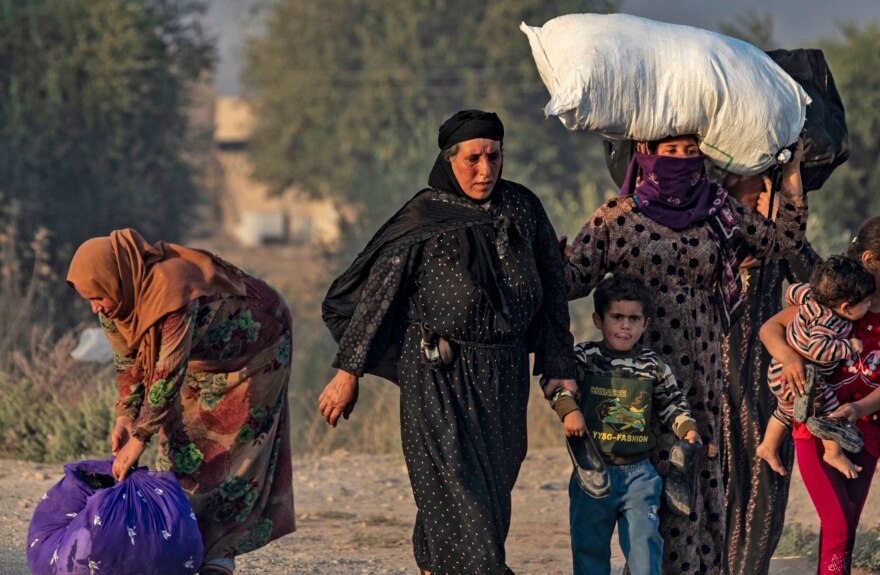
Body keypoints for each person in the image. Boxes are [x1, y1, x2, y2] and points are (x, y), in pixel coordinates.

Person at [319, 109, 576, 575]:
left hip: (506, 372)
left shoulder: (522, 206)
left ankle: (435, 567)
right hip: (438, 376)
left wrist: (559, 363)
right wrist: (346, 373)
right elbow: (378, 297)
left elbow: (552, 287)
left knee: (492, 495)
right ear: (449, 158)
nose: (485, 170)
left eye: (494, 157)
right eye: (473, 158)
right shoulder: (423, 217)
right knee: (458, 489)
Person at [562, 133, 808, 574]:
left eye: (691, 152)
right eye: (670, 152)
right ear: (645, 155)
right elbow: (572, 280)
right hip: (638, 378)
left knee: (695, 474)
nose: (681, 161)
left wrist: (791, 174)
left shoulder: (718, 209)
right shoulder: (617, 218)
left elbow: (781, 242)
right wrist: (544, 254)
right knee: (647, 484)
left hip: (703, 369)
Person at [66, 229, 295, 575]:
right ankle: (187, 547)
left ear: (115, 279)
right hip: (202, 358)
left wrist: (139, 440)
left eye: (97, 297)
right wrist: (126, 416)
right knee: (178, 447)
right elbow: (128, 362)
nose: (95, 307)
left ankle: (219, 556)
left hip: (257, 348)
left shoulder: (173, 290)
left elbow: (168, 372)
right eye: (89, 299)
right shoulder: (116, 300)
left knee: (228, 451)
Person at [759, 214, 880, 575]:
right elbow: (770, 328)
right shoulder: (834, 301)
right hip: (816, 427)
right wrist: (789, 359)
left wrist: (855, 409)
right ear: (870, 261)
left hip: (865, 432)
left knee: (846, 525)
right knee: (837, 523)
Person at [545, 273, 700, 575]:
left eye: (634, 318)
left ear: (646, 323)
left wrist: (687, 429)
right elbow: (555, 383)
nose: (625, 326)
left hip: (639, 474)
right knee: (588, 548)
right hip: (591, 471)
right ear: (599, 319)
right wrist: (569, 411)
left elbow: (672, 402)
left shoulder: (653, 366)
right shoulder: (584, 357)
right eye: (617, 317)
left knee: (645, 546)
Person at [719, 172, 820, 575]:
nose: (764, 199)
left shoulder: (780, 249)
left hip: (768, 389)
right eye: (756, 191)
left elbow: (823, 291)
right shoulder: (704, 238)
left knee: (765, 491)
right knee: (705, 494)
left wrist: (785, 225)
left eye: (769, 191)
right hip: (710, 386)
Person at [757, 255, 875, 479]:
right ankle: (833, 453)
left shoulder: (811, 298)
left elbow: (792, 291)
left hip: (779, 371)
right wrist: (848, 346)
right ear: (846, 307)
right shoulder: (829, 320)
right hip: (803, 375)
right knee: (830, 411)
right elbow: (818, 349)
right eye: (866, 303)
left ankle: (768, 446)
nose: (869, 306)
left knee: (784, 410)